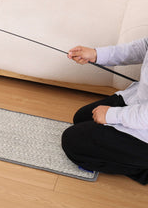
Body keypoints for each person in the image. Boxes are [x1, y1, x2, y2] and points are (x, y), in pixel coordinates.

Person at [62, 37, 148, 185]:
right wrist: (96, 54)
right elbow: (143, 47)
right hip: (138, 101)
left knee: (73, 141)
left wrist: (111, 115)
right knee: (81, 118)